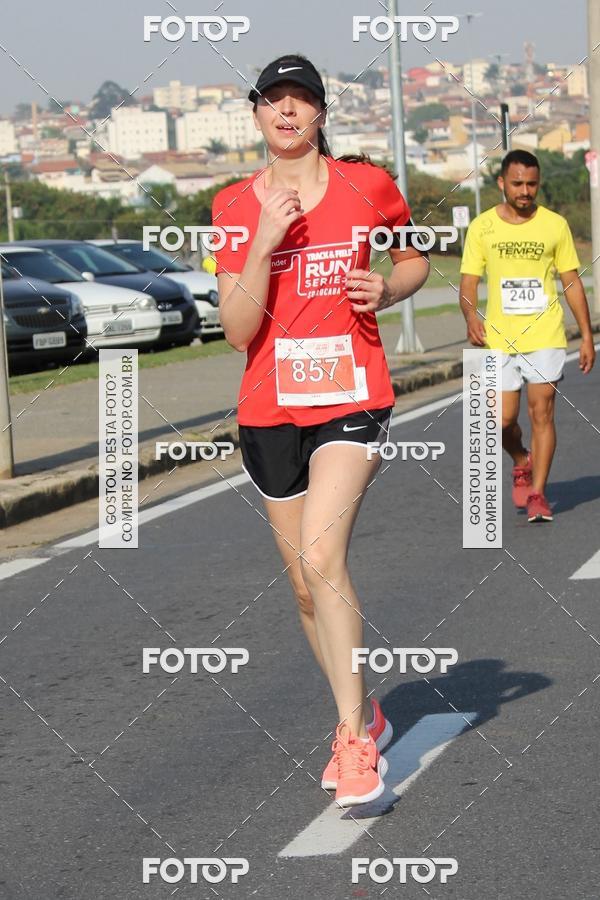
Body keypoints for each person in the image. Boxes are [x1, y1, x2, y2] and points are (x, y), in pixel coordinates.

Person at [212, 54, 429, 805]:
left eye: (301, 99)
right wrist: (264, 242)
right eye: (274, 100)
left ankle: (354, 742)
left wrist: (389, 286)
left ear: (320, 113)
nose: (287, 111)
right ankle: (364, 707)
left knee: (321, 553)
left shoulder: (367, 185)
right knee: (305, 586)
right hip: (269, 409)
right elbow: (237, 331)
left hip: (351, 395)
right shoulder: (233, 205)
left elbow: (414, 259)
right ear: (257, 114)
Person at [459, 149, 595, 523]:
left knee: (542, 413)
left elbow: (571, 282)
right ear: (501, 182)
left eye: (531, 184)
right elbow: (468, 282)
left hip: (545, 334)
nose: (525, 191)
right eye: (517, 183)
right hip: (498, 338)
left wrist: (586, 335)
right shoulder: (482, 227)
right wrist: (470, 315)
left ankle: (538, 493)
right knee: (500, 420)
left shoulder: (555, 225)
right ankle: (521, 459)